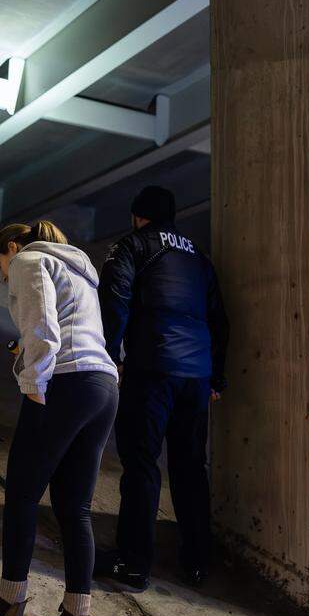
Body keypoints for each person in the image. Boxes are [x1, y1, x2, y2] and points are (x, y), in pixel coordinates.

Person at [0, 221, 119, 616]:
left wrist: (34, 381)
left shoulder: (30, 259)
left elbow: (44, 325)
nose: (4, 275)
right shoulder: (81, 270)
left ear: (11, 247)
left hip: (64, 383)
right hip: (103, 385)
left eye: (0, 266)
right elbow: (67, 325)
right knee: (75, 508)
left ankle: (7, 614)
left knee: (22, 497)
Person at [95, 185, 229, 591]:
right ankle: (198, 565)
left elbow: (114, 299)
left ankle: (134, 563)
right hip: (197, 377)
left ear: (138, 216)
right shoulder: (198, 257)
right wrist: (216, 379)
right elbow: (220, 319)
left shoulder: (133, 245)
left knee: (141, 465)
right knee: (191, 469)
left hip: (153, 370)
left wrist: (109, 353)